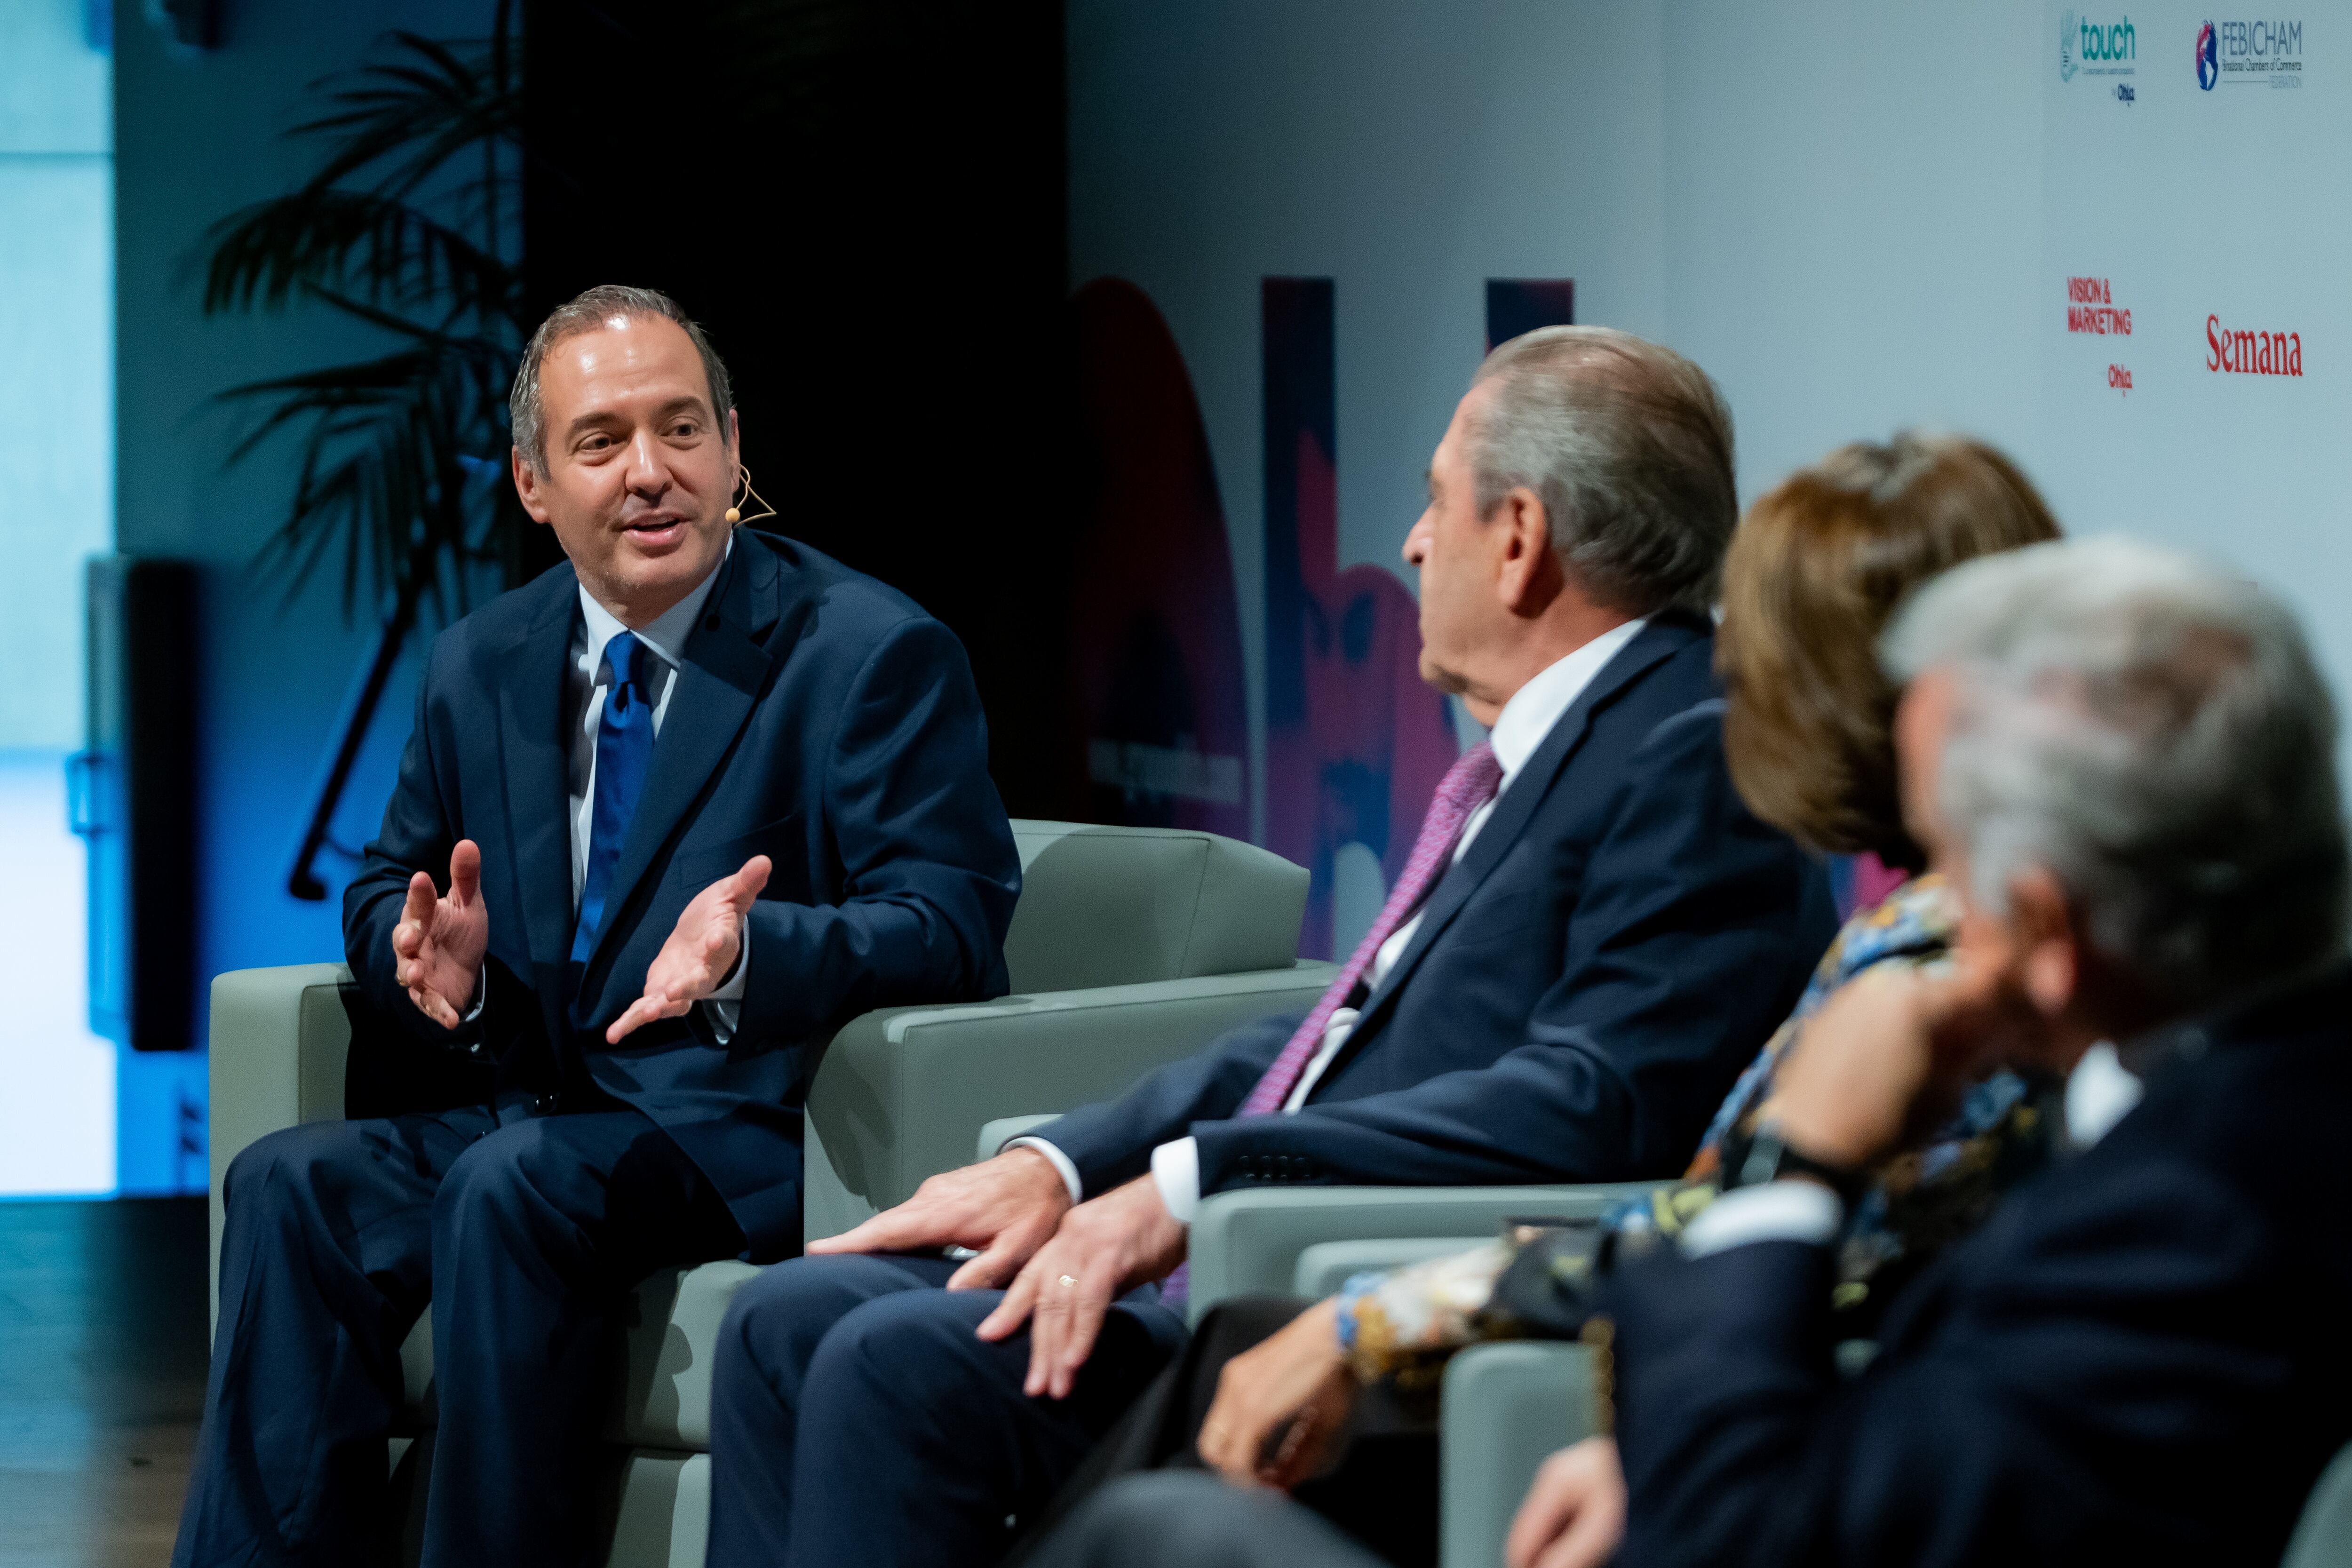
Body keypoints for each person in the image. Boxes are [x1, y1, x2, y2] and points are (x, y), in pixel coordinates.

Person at [704, 326, 1841, 1566]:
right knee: (785, 1318)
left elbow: (1591, 1100)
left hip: (1337, 1288)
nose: (1412, 543)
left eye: (1434, 501)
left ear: (1517, 540)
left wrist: (1200, 1186)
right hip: (1251, 1248)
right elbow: (1341, 1036)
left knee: (890, 1361)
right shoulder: (1558, 747)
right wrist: (1066, 1166)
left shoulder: (1691, 748)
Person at [1049, 535, 2352, 1568]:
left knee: (1159, 1536)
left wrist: (1802, 1162)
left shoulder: (2201, 1216)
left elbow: (1746, 1535)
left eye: (1956, 866)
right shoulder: (2231, 1082)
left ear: (2048, 928)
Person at [173, 285, 1023, 1568]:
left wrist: (756, 955)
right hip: (535, 1105)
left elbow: (955, 921)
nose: (652, 474)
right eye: (603, 441)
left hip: (737, 1126)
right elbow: (386, 881)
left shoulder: (865, 653)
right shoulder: (486, 659)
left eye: (684, 431)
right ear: (532, 481)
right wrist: (417, 958)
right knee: (291, 1185)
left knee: (511, 1189)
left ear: (735, 450)